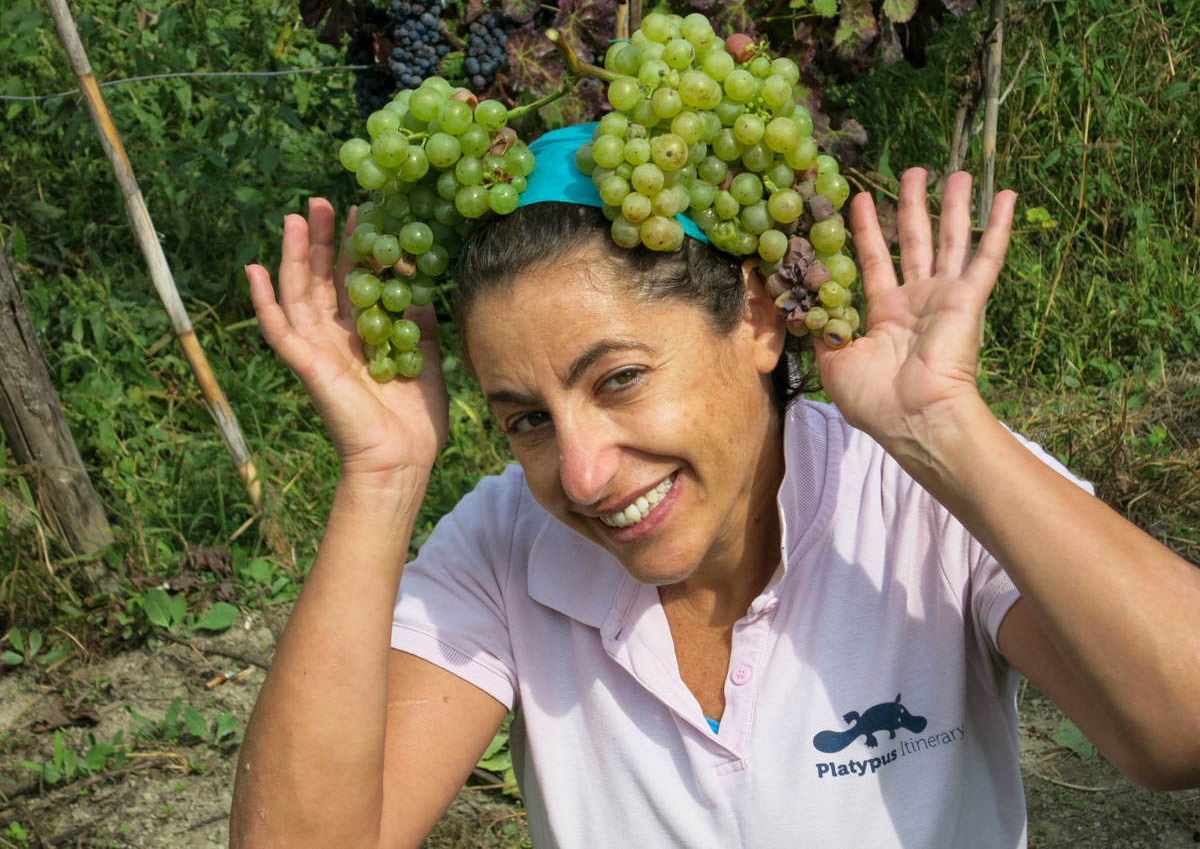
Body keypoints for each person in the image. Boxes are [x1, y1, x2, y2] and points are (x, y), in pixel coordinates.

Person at [232, 126, 1200, 849]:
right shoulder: (502, 551)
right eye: (525, 418)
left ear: (756, 320)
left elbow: (1181, 732)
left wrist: (945, 433)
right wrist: (382, 475)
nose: (580, 473)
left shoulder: (914, 495)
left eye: (617, 380)